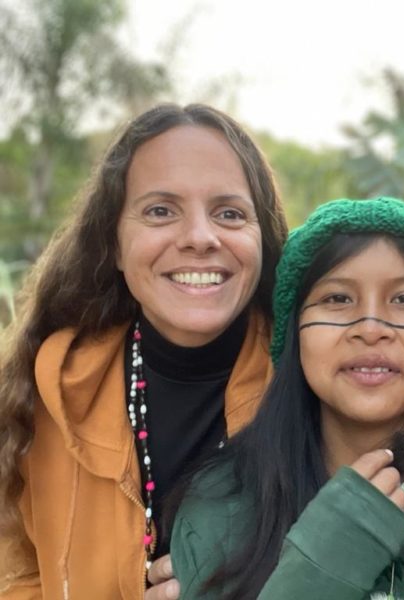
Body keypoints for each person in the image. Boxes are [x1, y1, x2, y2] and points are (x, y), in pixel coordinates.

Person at [0, 103, 288, 598]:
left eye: (229, 213)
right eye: (160, 210)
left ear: (262, 237)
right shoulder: (40, 398)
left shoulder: (320, 387)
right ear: (112, 241)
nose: (200, 237)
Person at [169, 197, 404, 599]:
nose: (370, 328)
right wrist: (324, 562)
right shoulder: (218, 510)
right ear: (295, 333)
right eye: (337, 298)